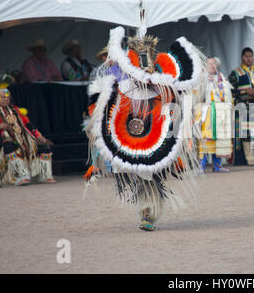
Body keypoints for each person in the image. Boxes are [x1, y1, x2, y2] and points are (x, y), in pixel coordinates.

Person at [84, 25, 205, 231]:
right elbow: (101, 104)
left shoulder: (162, 77)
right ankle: (144, 208)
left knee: (152, 173)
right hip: (127, 130)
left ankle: (148, 213)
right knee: (137, 172)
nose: (109, 59)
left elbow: (177, 98)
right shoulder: (113, 75)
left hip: (157, 127)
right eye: (107, 56)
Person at [0, 88, 55, 186]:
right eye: (3, 97)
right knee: (9, 145)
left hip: (23, 137)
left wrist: (39, 135)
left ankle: (44, 175)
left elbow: (28, 124)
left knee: (44, 146)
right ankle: (20, 175)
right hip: (4, 138)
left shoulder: (15, 110)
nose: (6, 100)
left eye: (8, 98)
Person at [196, 57, 233, 173]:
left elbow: (229, 96)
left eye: (215, 64)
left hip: (222, 112)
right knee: (206, 138)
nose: (213, 66)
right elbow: (197, 96)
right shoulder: (202, 79)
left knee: (220, 139)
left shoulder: (223, 79)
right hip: (208, 111)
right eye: (210, 64)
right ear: (205, 66)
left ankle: (217, 166)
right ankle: (201, 166)